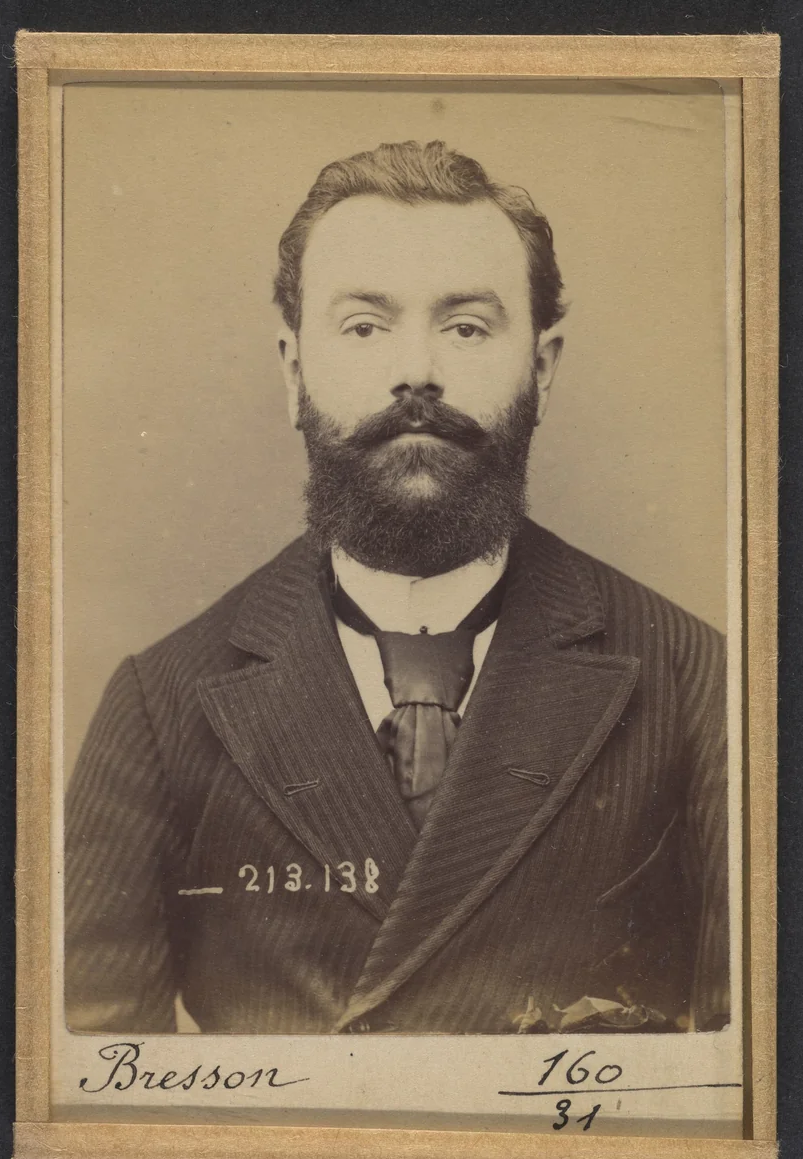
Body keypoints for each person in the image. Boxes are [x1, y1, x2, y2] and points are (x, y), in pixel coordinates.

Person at [65, 140, 729, 1036]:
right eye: (364, 326)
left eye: (466, 327)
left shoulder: (696, 680)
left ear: (541, 368)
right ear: (293, 371)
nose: (416, 371)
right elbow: (94, 1083)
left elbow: (751, 1076)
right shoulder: (160, 705)